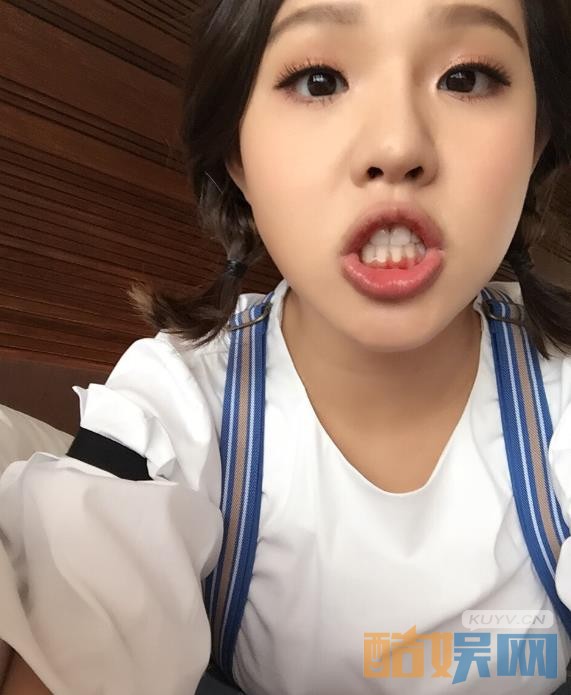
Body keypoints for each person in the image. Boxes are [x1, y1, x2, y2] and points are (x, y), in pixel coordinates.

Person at [1, 0, 571, 693]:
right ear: (236, 153)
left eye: (466, 77)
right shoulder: (175, 413)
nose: (397, 146)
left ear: (537, 139)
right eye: (318, 80)